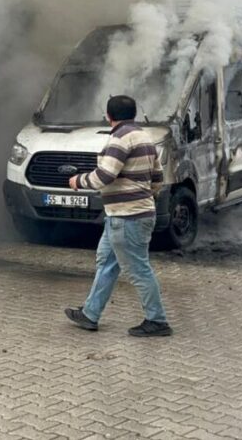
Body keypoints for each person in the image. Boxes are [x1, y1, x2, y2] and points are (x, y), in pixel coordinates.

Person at [65, 95, 172, 337]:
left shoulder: (119, 139)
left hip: (127, 218)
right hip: (127, 215)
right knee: (106, 263)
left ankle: (157, 321)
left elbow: (105, 175)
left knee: (138, 269)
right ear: (133, 114)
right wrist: (144, 197)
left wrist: (77, 181)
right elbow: (157, 177)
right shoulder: (145, 137)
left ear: (109, 116)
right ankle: (90, 314)